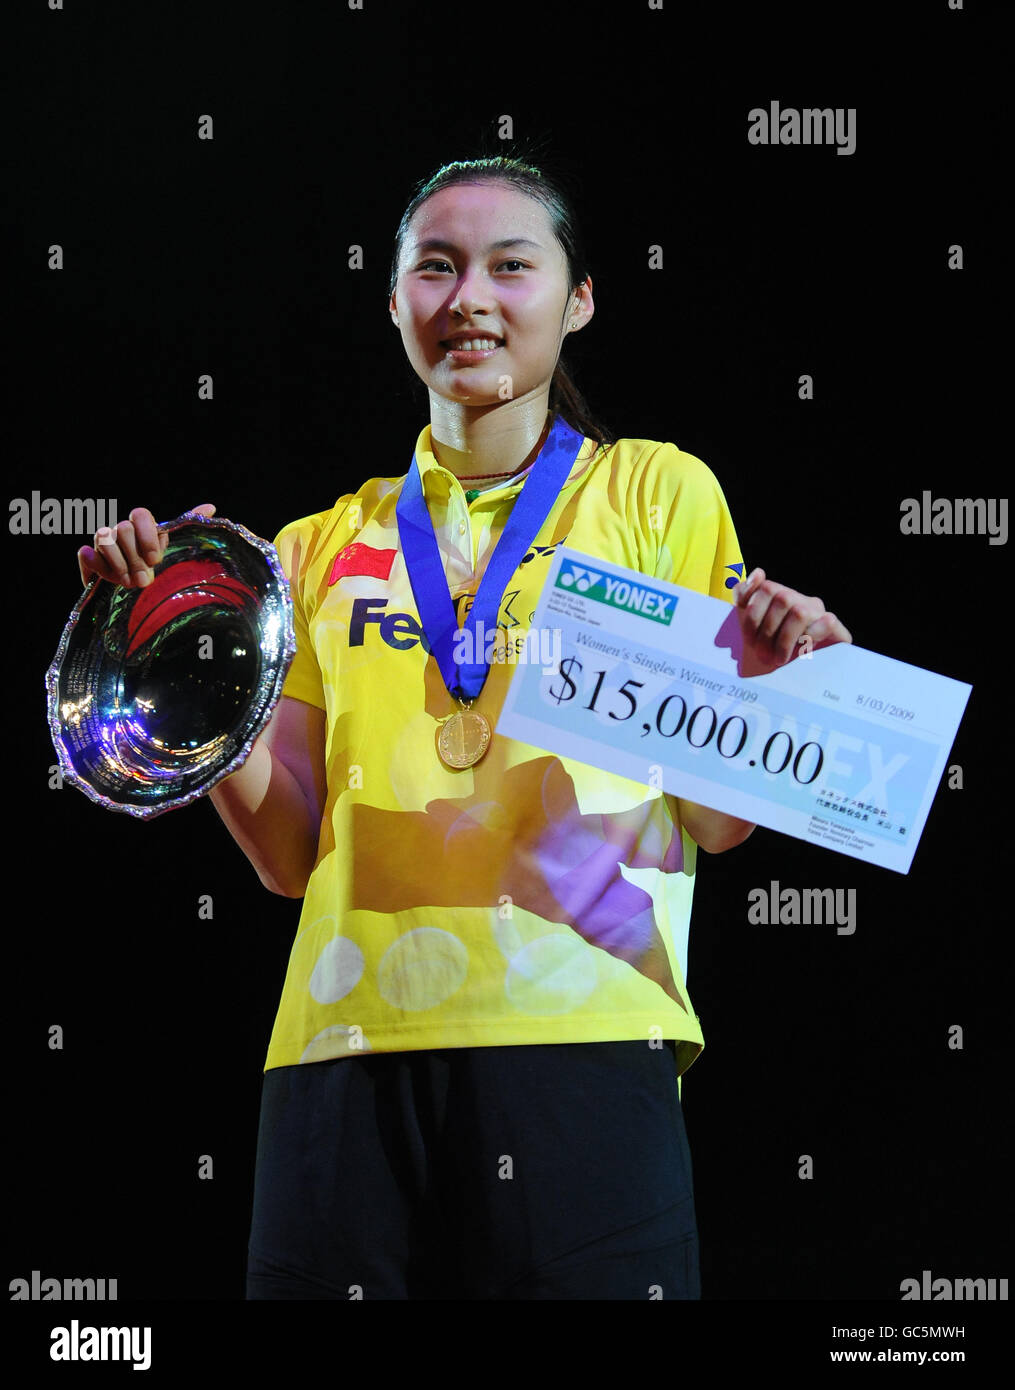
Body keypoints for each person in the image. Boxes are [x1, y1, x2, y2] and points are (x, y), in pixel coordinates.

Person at [77, 155, 851, 1300]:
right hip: (339, 1047)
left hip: (587, 1037)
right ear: (394, 302)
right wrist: (185, 648)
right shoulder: (308, 548)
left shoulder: (654, 494)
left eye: (510, 265)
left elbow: (716, 823)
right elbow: (287, 858)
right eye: (435, 268)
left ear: (577, 300)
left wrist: (776, 686)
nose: (470, 298)